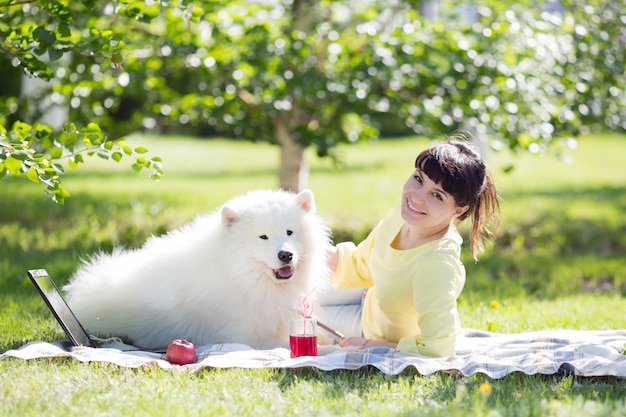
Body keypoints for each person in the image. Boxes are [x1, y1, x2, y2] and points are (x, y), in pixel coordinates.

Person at [316, 131, 500, 357]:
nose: (416, 197)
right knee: (290, 294)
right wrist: (306, 247)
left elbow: (438, 347)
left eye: (437, 196)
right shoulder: (406, 215)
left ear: (458, 210)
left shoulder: (436, 266)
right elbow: (360, 263)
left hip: (372, 331)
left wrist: (370, 345)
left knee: (294, 320)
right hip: (370, 298)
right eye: (418, 179)